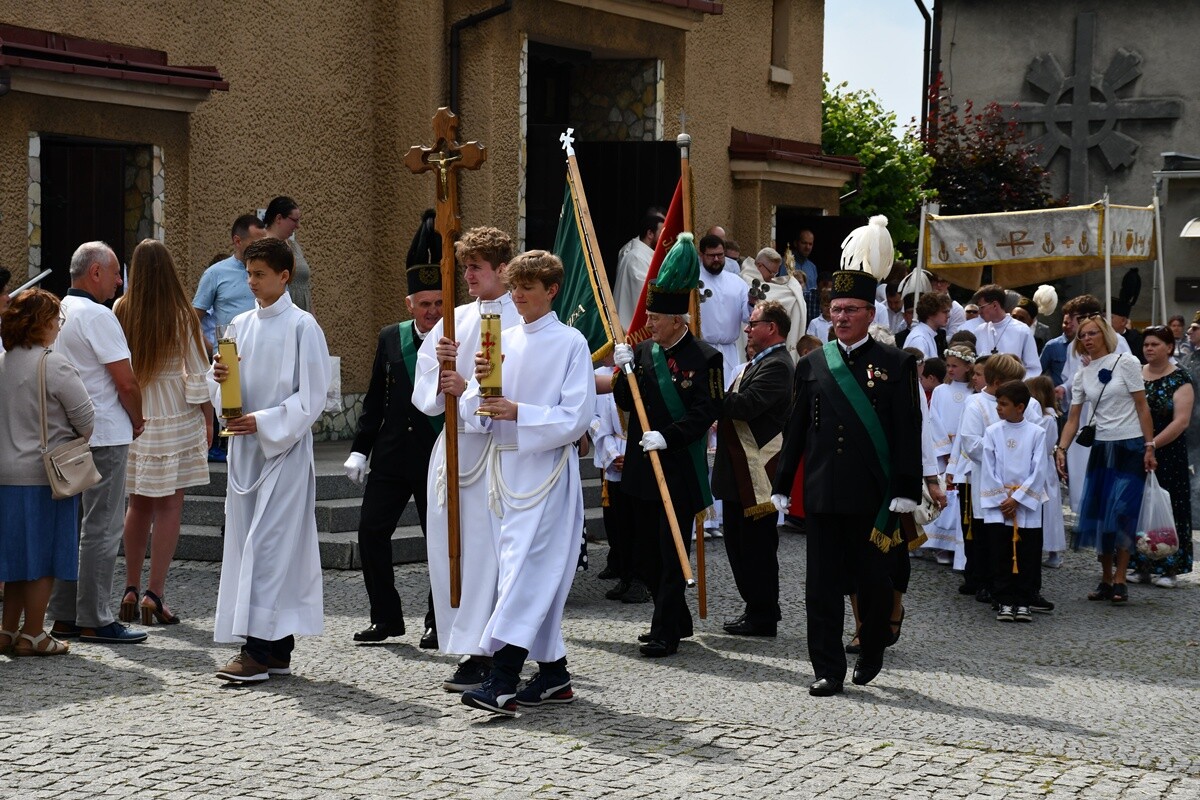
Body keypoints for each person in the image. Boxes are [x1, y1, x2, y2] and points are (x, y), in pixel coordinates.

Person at [770, 215, 923, 697]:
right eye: (835, 309)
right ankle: (827, 668)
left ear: (870, 313)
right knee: (820, 587)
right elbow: (796, 428)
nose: (841, 317)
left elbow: (908, 432)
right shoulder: (813, 363)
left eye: (851, 310)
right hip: (823, 492)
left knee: (873, 581)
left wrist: (906, 489)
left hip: (873, 495)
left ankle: (873, 646)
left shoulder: (897, 364)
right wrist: (782, 483)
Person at [456, 250, 595, 716]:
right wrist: (478, 388)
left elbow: (576, 416)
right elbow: (474, 412)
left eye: (527, 288)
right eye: (514, 287)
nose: (516, 295)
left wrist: (519, 412)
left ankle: (502, 681)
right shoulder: (502, 339)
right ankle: (554, 675)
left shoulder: (571, 342)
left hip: (548, 473)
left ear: (551, 290)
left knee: (525, 575)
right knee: (522, 575)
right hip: (505, 475)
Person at [208, 237, 332, 682]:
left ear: (284, 276)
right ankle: (278, 648)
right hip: (245, 454)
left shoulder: (303, 326)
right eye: (248, 273)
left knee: (268, 547)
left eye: (260, 274)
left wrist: (262, 421)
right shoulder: (239, 324)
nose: (251, 282)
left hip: (284, 452)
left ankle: (256, 652)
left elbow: (313, 396)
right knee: (249, 545)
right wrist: (219, 380)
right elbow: (223, 387)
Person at [413, 226, 521, 692]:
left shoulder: (520, 319)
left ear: (503, 269)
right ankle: (466, 644)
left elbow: (517, 380)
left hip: (496, 453)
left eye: (476, 267)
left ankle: (491, 650)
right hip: (453, 452)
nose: (468, 276)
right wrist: (441, 369)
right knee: (449, 548)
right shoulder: (453, 320)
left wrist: (466, 390)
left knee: (487, 555)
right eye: (465, 268)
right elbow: (425, 392)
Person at [612, 232, 723, 659]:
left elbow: (706, 411)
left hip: (678, 466)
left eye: (656, 317)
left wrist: (669, 436)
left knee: (670, 549)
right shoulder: (642, 352)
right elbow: (627, 402)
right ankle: (676, 617)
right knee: (644, 555)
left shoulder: (706, 358)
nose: (650, 322)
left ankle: (664, 633)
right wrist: (623, 374)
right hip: (643, 467)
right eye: (650, 315)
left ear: (678, 320)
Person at [344, 211, 445, 645]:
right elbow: (375, 399)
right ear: (409, 304)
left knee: (437, 541)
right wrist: (359, 449)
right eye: (425, 304)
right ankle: (386, 617)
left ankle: (438, 619)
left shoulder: (456, 337)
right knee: (371, 532)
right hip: (389, 456)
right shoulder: (390, 337)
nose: (432, 312)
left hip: (436, 455)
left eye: (439, 303)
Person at [48, 242, 148, 645]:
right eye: (115, 273)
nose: (119, 281)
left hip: (66, 434)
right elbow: (126, 382)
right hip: (104, 432)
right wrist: (138, 419)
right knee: (102, 528)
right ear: (95, 273)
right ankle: (95, 618)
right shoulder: (98, 315)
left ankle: (65, 615)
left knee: (71, 529)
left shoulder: (58, 310)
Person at [114, 240, 213, 627]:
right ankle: (154, 594)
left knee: (137, 505)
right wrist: (208, 419)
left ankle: (130, 587)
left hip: (137, 415)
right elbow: (199, 374)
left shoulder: (121, 309)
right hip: (176, 415)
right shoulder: (182, 314)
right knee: (170, 507)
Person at [0, 290, 94, 656]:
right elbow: (86, 420)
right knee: (44, 558)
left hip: (5, 473)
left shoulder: (3, 361)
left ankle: (7, 630)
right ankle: (35, 634)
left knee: (15, 557)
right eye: (56, 319)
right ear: (42, 323)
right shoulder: (52, 364)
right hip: (44, 475)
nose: (58, 326)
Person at [1054, 313, 1156, 605]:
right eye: (1082, 335)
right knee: (1102, 514)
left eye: (1092, 333)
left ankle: (1121, 578)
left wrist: (1149, 446)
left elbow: (1142, 406)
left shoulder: (1127, 362)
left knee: (1122, 510)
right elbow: (1073, 419)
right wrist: (1061, 448)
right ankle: (1106, 578)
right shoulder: (1081, 375)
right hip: (1101, 447)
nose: (1087, 338)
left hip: (1131, 446)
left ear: (1105, 335)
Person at [713, 301, 794, 638]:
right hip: (741, 471)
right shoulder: (760, 362)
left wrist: (706, 389)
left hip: (757, 472)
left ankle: (763, 615)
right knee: (741, 546)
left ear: (771, 328)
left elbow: (746, 406)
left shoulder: (778, 366)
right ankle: (758, 608)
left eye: (753, 323)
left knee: (756, 549)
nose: (747, 328)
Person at [1127, 327, 1193, 586]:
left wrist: (1153, 444)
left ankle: (1169, 567)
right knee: (1138, 506)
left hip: (1169, 451)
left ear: (1169, 347)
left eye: (1155, 344)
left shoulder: (1180, 378)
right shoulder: (1135, 374)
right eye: (1146, 344)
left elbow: (1181, 421)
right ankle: (1139, 564)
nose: (1149, 349)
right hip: (1136, 448)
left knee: (1169, 504)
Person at [979, 381, 1048, 622]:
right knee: (1000, 553)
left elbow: (1039, 469)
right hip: (1000, 505)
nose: (998, 408)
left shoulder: (1037, 433)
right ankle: (1004, 600)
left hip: (1025, 505)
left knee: (1027, 555)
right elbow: (988, 468)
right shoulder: (992, 432)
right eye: (997, 403)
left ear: (1020, 407)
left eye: (1003, 404)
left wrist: (1017, 499)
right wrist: (1003, 499)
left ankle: (1024, 601)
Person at [591, 360, 651, 604]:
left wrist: (634, 456)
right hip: (614, 453)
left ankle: (641, 580)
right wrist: (612, 454)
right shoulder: (603, 378)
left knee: (640, 523)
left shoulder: (643, 375)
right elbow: (596, 421)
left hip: (640, 453)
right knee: (620, 521)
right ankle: (625, 575)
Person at [192, 214, 267, 346]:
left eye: (264, 244)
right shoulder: (214, 273)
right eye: (255, 244)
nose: (261, 249)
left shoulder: (272, 273)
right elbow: (193, 320)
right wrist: (210, 349)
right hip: (229, 355)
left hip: (263, 352)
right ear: (237, 241)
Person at [697, 234, 751, 387]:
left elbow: (748, 316)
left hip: (729, 353)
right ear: (701, 255)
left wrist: (752, 303)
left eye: (720, 255)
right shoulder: (692, 281)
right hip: (701, 350)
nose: (716, 259)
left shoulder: (737, 282)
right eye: (711, 255)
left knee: (729, 393)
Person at [1026, 376, 1067, 571]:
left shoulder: (1049, 419)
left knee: (1049, 510)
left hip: (1044, 467)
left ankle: (1053, 551)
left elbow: (1047, 445)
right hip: (1035, 464)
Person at [968, 284, 1041, 377]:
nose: (979, 312)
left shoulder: (1022, 331)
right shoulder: (979, 330)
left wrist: (1014, 382)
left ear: (995, 305)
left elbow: (1034, 369)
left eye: (981, 307)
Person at [613, 210, 664, 329]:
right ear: (650, 234)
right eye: (662, 233)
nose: (664, 239)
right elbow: (646, 296)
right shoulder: (636, 257)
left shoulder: (644, 256)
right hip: (632, 331)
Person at [263, 196, 313, 313]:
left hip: (303, 315)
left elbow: (305, 289)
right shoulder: (262, 248)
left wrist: (312, 318)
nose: (298, 226)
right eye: (294, 220)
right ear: (279, 218)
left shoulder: (294, 246)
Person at [904, 292, 950, 360]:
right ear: (931, 313)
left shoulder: (927, 334)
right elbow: (919, 366)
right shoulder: (919, 339)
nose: (948, 315)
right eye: (944, 312)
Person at [791, 229, 819, 320]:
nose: (807, 247)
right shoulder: (784, 264)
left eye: (810, 244)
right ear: (796, 243)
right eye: (804, 243)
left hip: (809, 312)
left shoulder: (812, 267)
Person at [1110, 297, 1144, 364]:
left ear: (1123, 321)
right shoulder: (1100, 338)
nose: (1105, 320)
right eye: (1103, 317)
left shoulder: (1138, 340)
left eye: (1111, 317)